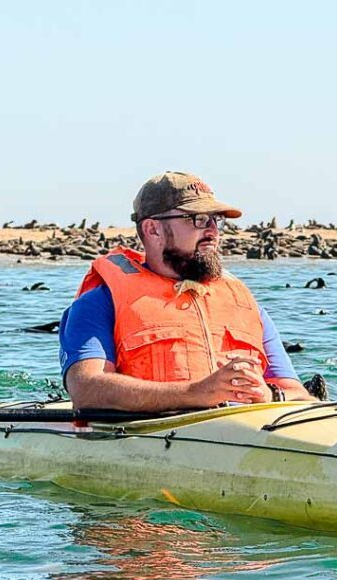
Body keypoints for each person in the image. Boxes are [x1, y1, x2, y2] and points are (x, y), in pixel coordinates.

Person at [59, 171, 314, 411]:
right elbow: (86, 388)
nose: (213, 231)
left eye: (216, 220)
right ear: (153, 229)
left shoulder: (246, 306)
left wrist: (269, 395)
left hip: (251, 432)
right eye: (198, 219)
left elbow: (298, 394)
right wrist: (194, 393)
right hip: (156, 435)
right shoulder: (99, 303)